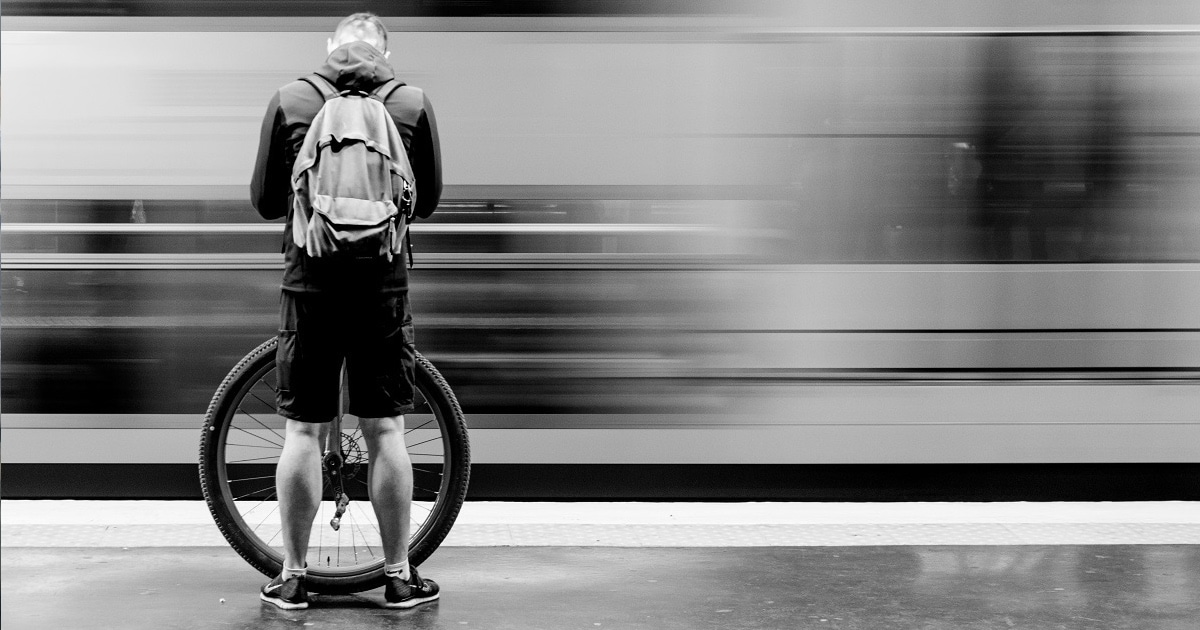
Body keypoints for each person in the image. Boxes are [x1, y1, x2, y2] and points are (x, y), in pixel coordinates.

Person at [249, 12, 442, 610]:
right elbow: (427, 203)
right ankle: (398, 577)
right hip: (382, 286)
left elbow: (262, 201)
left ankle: (294, 578)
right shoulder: (410, 103)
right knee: (385, 430)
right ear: (383, 50)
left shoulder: (291, 99)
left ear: (331, 48)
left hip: (309, 284)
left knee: (303, 430)